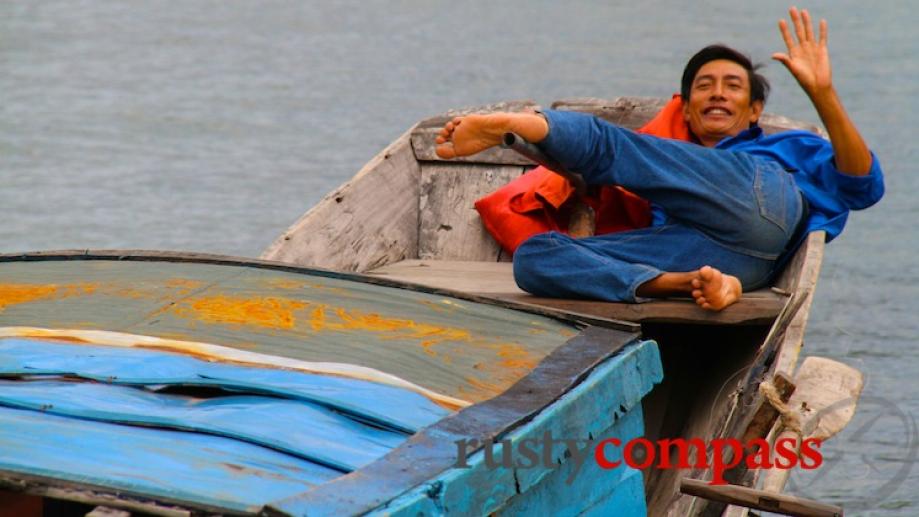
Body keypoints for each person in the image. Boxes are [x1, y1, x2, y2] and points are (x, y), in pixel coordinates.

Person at [434, 7, 884, 311]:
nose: (718, 92)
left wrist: (822, 94)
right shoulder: (677, 158)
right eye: (704, 86)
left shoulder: (782, 149)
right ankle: (680, 285)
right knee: (534, 260)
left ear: (753, 112)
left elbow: (863, 188)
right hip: (730, 263)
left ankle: (523, 125)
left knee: (618, 149)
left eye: (732, 85)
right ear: (685, 108)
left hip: (766, 208)